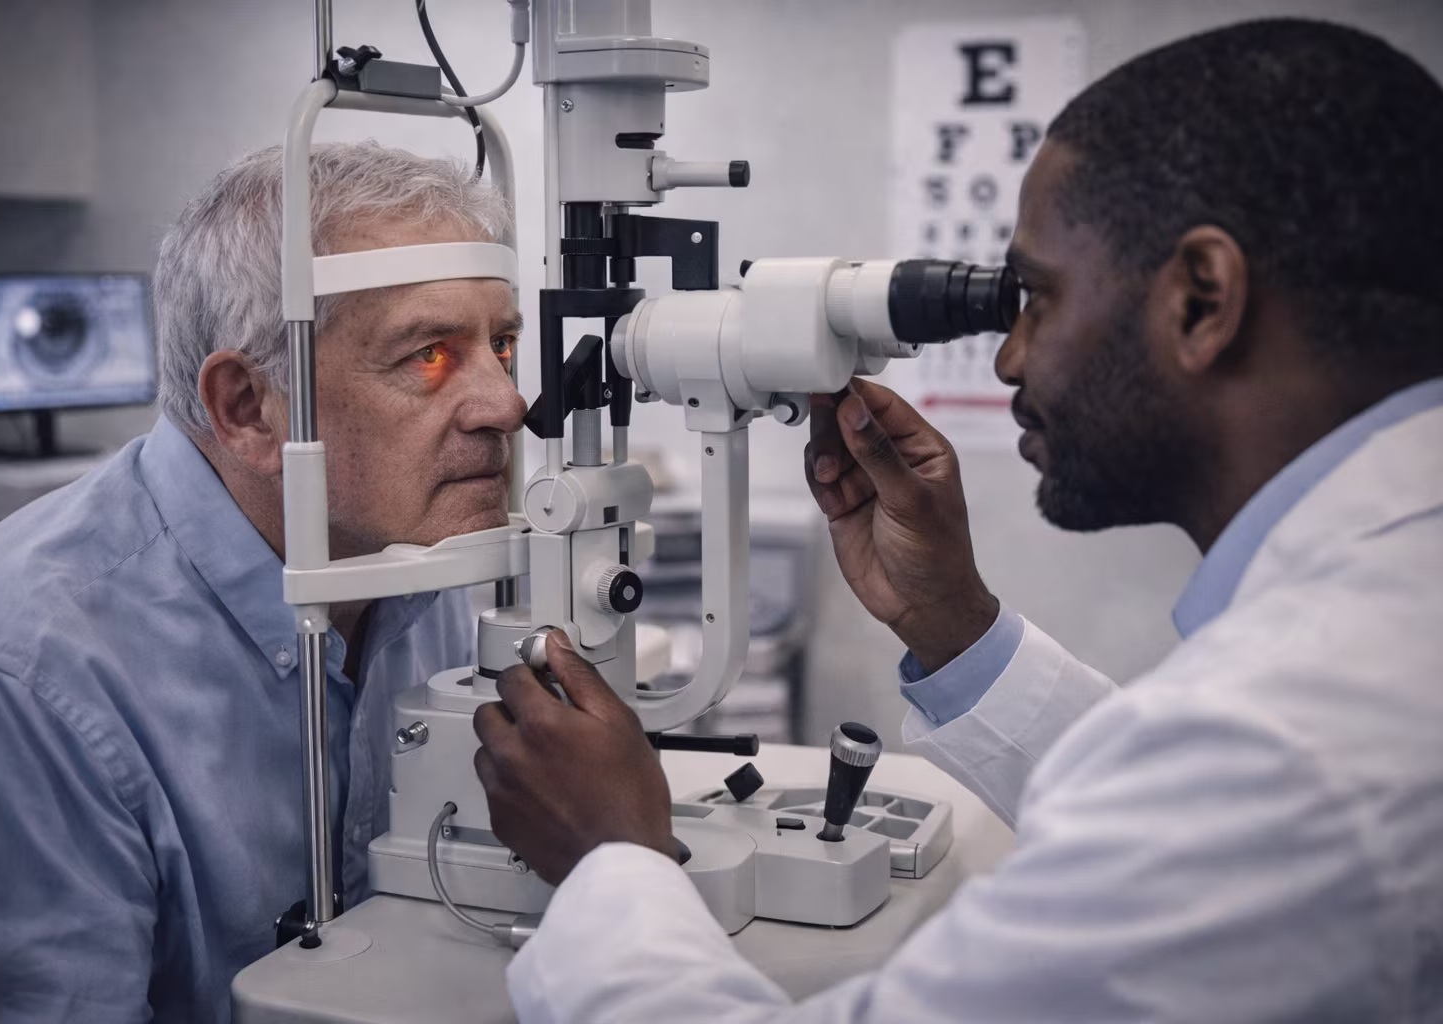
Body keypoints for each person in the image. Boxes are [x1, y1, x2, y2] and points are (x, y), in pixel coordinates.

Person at [473, 19, 1443, 1022]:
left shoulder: (1288, 743)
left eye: (1040, 299)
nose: (1011, 357)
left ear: (1202, 300)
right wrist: (956, 625)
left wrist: (610, 859)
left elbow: (1214, 796)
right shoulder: (1383, 621)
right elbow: (1177, 812)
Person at [0, 143, 525, 1022]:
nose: (506, 404)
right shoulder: (21, 673)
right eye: (429, 356)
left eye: (502, 344)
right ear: (248, 407)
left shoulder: (407, 561)